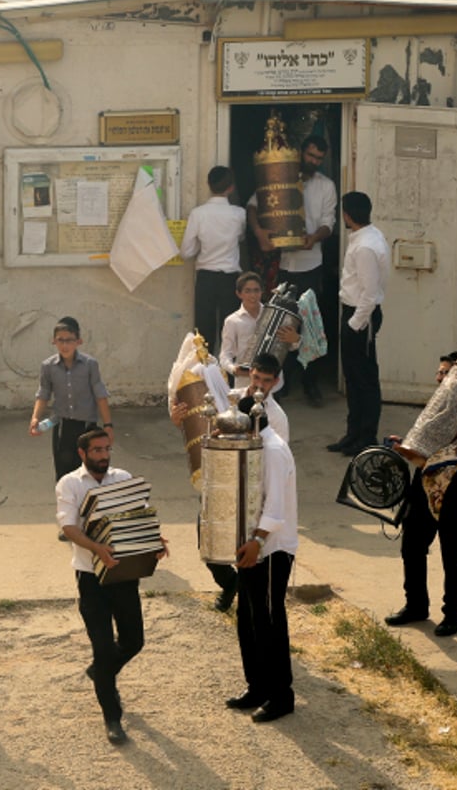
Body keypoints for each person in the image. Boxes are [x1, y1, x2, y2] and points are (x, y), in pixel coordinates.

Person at [57, 428, 167, 745]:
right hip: (90, 576)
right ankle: (112, 717)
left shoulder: (123, 478)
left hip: (123, 574)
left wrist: (155, 541)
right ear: (83, 453)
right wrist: (97, 548)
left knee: (134, 641)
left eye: (107, 449)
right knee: (104, 647)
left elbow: (139, 517)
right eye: (96, 451)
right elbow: (68, 527)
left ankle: (101, 672)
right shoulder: (70, 484)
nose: (104, 456)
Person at [170, 352, 289, 613]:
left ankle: (246, 593)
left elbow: (274, 459)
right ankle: (229, 583)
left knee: (245, 545)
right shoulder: (230, 399)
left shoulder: (277, 417)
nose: (259, 385)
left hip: (250, 490)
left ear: (275, 382)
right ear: (250, 373)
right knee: (208, 538)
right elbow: (205, 426)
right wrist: (180, 419)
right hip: (221, 480)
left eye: (266, 381)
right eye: (256, 377)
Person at [385, 352, 457, 638]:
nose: (439, 378)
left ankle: (452, 615)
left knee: (452, 557)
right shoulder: (436, 410)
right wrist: (404, 445)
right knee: (412, 548)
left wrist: (417, 453)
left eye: (446, 373)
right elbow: (421, 442)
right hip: (424, 492)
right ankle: (416, 606)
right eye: (440, 372)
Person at [247, 135, 337, 406]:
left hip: (311, 263)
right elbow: (253, 204)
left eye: (318, 158)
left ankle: (311, 384)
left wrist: (314, 237)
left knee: (310, 326)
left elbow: (328, 223)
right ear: (300, 153)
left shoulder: (326, 186)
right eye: (310, 155)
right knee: (278, 326)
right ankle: (280, 383)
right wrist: (259, 231)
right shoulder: (279, 175)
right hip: (283, 264)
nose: (313, 161)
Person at [225, 393, 298, 723]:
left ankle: (281, 695)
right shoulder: (255, 446)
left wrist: (256, 542)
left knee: (269, 619)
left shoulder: (273, 450)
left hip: (272, 549)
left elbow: (275, 509)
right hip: (252, 547)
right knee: (248, 617)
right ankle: (257, 686)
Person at [327, 191, 390, 457]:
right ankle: (353, 434)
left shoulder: (365, 246)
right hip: (356, 313)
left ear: (347, 215)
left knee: (364, 379)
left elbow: (370, 294)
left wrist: (354, 325)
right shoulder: (366, 237)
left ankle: (366, 436)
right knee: (353, 378)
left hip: (360, 315)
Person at [31, 316, 114, 482]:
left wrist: (108, 425)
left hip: (87, 427)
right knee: (64, 475)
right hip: (63, 428)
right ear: (54, 341)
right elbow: (44, 393)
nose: (65, 345)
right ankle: (67, 507)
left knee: (91, 473)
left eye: (69, 340)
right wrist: (35, 418)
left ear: (79, 341)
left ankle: (90, 507)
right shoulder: (48, 367)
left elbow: (100, 395)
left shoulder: (90, 365)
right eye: (60, 340)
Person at [182, 166, 247, 352]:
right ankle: (230, 377)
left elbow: (186, 251)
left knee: (203, 332)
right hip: (230, 278)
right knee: (231, 332)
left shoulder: (198, 214)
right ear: (231, 188)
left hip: (206, 278)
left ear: (208, 185)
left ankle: (205, 375)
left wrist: (200, 248)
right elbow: (241, 238)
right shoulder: (238, 214)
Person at [218, 272, 299, 390]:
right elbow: (225, 354)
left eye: (256, 290)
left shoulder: (275, 315)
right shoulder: (232, 321)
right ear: (238, 294)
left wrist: (295, 339)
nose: (253, 295)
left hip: (272, 383)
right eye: (248, 291)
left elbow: (288, 346)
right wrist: (234, 369)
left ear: (262, 292)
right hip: (245, 384)